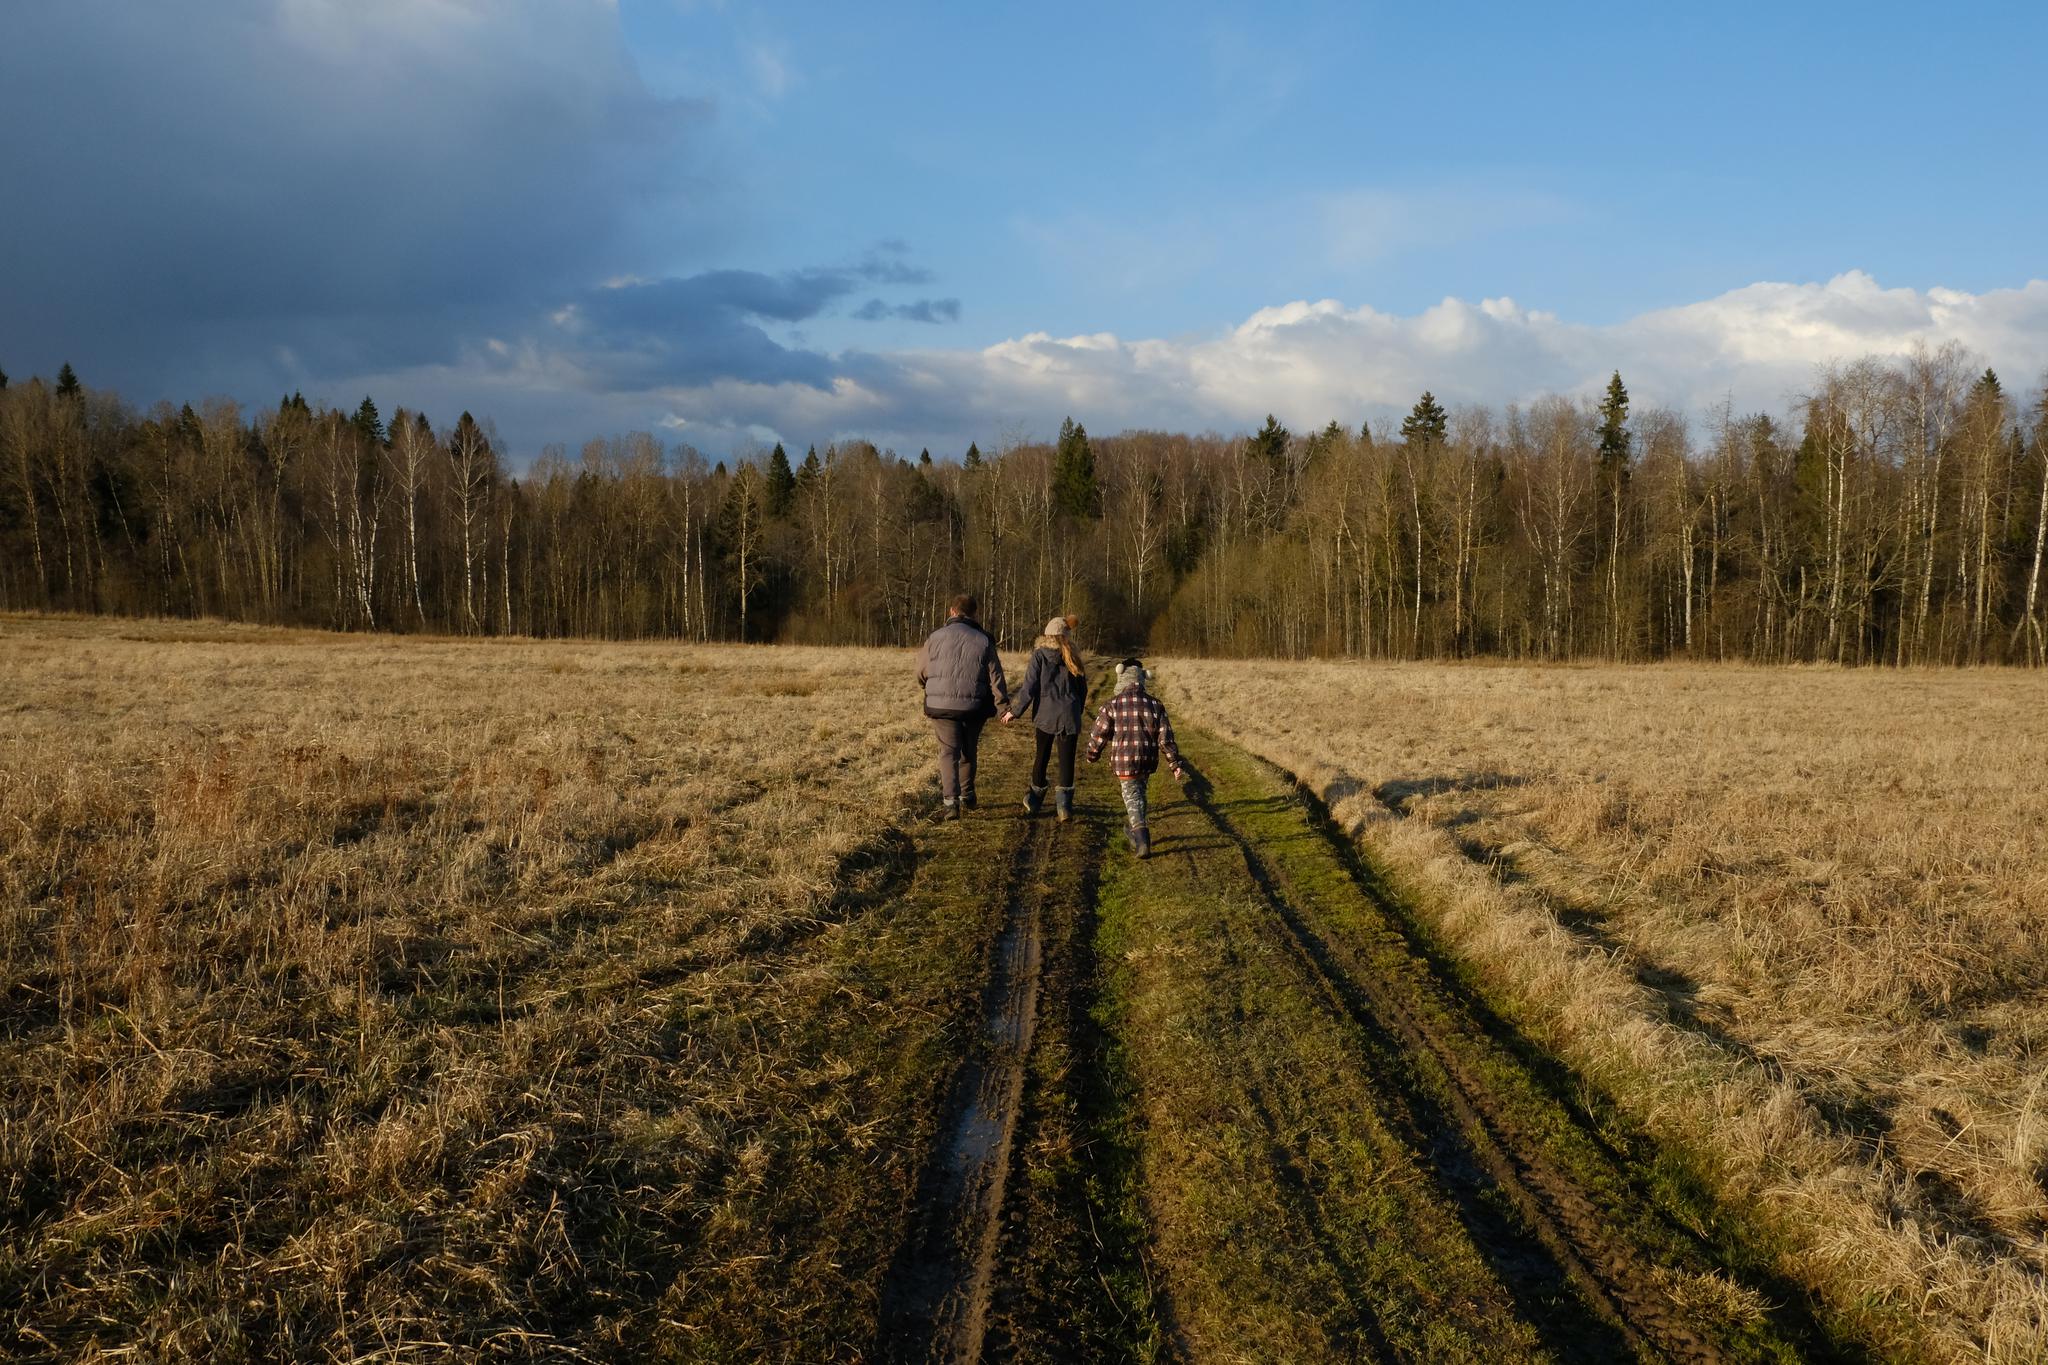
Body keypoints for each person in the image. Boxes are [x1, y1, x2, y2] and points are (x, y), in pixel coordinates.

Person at [915, 593, 1009, 820]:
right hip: (974, 706)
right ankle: (967, 795)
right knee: (969, 751)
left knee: (948, 753)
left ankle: (950, 803)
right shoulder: (984, 639)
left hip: (941, 705)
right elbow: (995, 676)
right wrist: (1003, 706)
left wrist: (929, 686)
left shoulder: (935, 637)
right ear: (974, 613)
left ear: (952, 611)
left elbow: (921, 672)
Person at [1085, 657, 1185, 858]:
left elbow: (1099, 733)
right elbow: (1165, 736)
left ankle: (1142, 839)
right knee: (1139, 792)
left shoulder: (1112, 704)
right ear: (1142, 679)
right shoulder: (1155, 705)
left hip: (1124, 760)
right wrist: (1174, 763)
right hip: (1147, 759)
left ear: (1120, 677)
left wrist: (1092, 754)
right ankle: (1136, 830)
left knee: (1131, 794)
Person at [1000, 615, 1086, 820]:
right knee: (1067, 761)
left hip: (1045, 715)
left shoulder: (1039, 656)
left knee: (1042, 757)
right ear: (1066, 636)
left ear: (1046, 636)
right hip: (1069, 715)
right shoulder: (1073, 655)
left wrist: (1014, 711)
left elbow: (1029, 688)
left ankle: (1035, 800)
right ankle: (1064, 807)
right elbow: (1083, 690)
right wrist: (1077, 711)